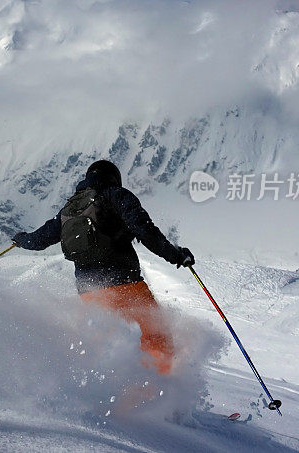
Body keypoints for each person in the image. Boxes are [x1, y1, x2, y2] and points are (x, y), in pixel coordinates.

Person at [12, 159, 194, 375]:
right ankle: (160, 397)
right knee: (156, 336)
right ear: (115, 178)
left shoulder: (71, 207)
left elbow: (39, 240)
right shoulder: (116, 195)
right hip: (125, 284)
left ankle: (113, 397)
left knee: (111, 346)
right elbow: (145, 231)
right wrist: (176, 255)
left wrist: (21, 239)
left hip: (89, 293)